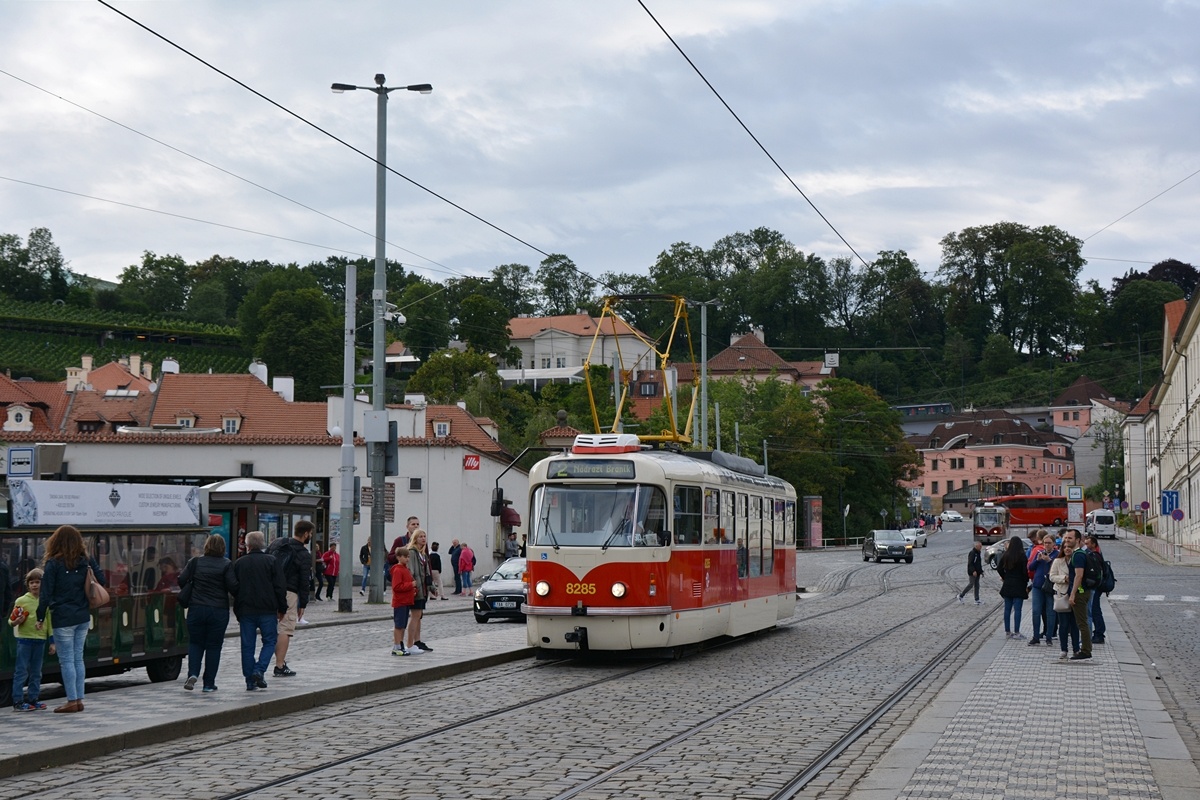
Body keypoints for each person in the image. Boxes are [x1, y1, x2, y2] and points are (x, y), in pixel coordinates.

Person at [37, 524, 105, 713]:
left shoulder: (52, 563)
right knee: (78, 659)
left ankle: (72, 700)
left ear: (55, 541)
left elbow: (45, 594)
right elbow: (102, 581)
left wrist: (40, 617)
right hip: (82, 616)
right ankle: (79, 699)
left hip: (62, 617)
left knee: (66, 660)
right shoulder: (86, 561)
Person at [178, 534, 238, 693]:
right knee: (214, 646)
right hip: (218, 610)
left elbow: (181, 580)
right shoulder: (226, 564)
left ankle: (193, 674)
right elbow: (234, 587)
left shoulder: (195, 562)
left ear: (206, 546)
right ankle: (208, 684)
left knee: (195, 643)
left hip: (196, 608)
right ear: (223, 548)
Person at [232, 531, 287, 691]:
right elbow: (280, 587)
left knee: (247, 646)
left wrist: (238, 608)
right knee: (270, 641)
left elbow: (234, 587)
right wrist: (282, 608)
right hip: (267, 609)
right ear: (263, 544)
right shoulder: (271, 561)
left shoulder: (239, 563)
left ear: (247, 545)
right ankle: (259, 669)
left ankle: (250, 681)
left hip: (246, 610)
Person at [266, 520, 314, 677]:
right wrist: (303, 604)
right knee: (285, 628)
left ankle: (278, 661)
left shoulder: (278, 543)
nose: (311, 537)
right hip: (289, 593)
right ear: (306, 533)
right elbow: (304, 581)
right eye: (311, 534)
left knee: (272, 626)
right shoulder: (303, 554)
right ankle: (279, 665)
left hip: (270, 589)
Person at [10, 567, 55, 711]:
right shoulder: (21, 600)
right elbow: (11, 621)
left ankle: (33, 699)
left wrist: (52, 641)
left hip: (40, 640)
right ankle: (18, 701)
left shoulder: (45, 601)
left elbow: (49, 621)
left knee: (36, 672)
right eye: (32, 582)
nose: (35, 585)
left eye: (38, 582)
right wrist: (17, 621)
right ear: (28, 585)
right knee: (21, 671)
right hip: (24, 640)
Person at [1063, 529, 1093, 661]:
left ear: (1077, 540)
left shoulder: (1078, 555)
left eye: (1070, 538)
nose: (1067, 540)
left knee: (1082, 623)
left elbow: (1078, 576)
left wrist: (1073, 594)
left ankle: (1086, 650)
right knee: (1081, 622)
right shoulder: (1076, 554)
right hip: (1080, 592)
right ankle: (1085, 649)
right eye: (1066, 538)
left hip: (1080, 592)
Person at [405, 530, 434, 653]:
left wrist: (431, 586)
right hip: (416, 590)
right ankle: (410, 644)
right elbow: (410, 571)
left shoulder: (423, 554)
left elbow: (426, 572)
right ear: (415, 539)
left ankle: (417, 641)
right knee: (415, 616)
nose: (423, 539)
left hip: (423, 589)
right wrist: (413, 585)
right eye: (420, 537)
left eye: (424, 536)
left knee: (419, 616)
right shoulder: (412, 553)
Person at [1028, 531, 1057, 646]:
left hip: (1050, 586)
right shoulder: (1039, 552)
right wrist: (1038, 560)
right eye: (1045, 543)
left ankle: (1049, 636)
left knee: (1050, 612)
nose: (1047, 545)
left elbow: (1060, 568)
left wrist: (1049, 561)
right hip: (1038, 585)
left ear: (1054, 544)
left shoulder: (1057, 554)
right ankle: (1035, 636)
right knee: (1036, 611)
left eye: (1049, 543)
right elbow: (1031, 567)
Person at [1050, 537, 1077, 660]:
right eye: (1065, 547)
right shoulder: (1057, 561)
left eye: (1069, 547)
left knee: (1075, 624)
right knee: (1064, 624)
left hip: (1075, 594)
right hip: (1062, 593)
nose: (1067, 549)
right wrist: (1064, 579)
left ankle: (1076, 648)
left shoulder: (1077, 560)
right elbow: (1052, 577)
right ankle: (1063, 649)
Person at [997, 536, 1027, 639]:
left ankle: (1007, 631)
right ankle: (1017, 631)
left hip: (1008, 583)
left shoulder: (1006, 555)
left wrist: (1004, 577)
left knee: (1007, 609)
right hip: (1018, 584)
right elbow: (1024, 572)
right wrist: (1025, 581)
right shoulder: (1022, 556)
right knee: (1018, 609)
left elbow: (999, 568)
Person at [390, 550, 416, 656]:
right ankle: (396, 646)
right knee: (398, 625)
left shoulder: (406, 569)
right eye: (405, 557)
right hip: (400, 602)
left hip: (406, 601)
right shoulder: (397, 570)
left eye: (408, 557)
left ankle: (400, 644)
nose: (407, 559)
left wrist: (414, 590)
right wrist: (411, 585)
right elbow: (397, 587)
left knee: (403, 625)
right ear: (398, 557)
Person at [1084, 533, 1107, 644]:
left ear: (1093, 544)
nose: (1086, 545)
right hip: (1096, 586)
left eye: (1088, 543)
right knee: (1094, 610)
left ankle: (1099, 633)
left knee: (1095, 610)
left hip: (1096, 587)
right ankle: (1098, 632)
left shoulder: (1095, 556)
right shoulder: (1096, 554)